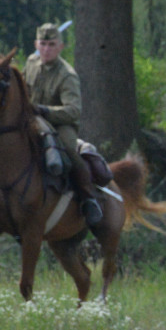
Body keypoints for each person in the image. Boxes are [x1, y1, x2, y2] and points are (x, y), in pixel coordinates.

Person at [23, 23, 103, 226]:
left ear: (61, 47)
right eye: (43, 44)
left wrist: (46, 111)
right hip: (32, 119)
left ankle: (88, 198)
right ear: (36, 44)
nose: (47, 49)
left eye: (52, 44)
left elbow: (74, 110)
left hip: (60, 124)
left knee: (68, 149)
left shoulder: (67, 75)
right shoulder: (31, 63)